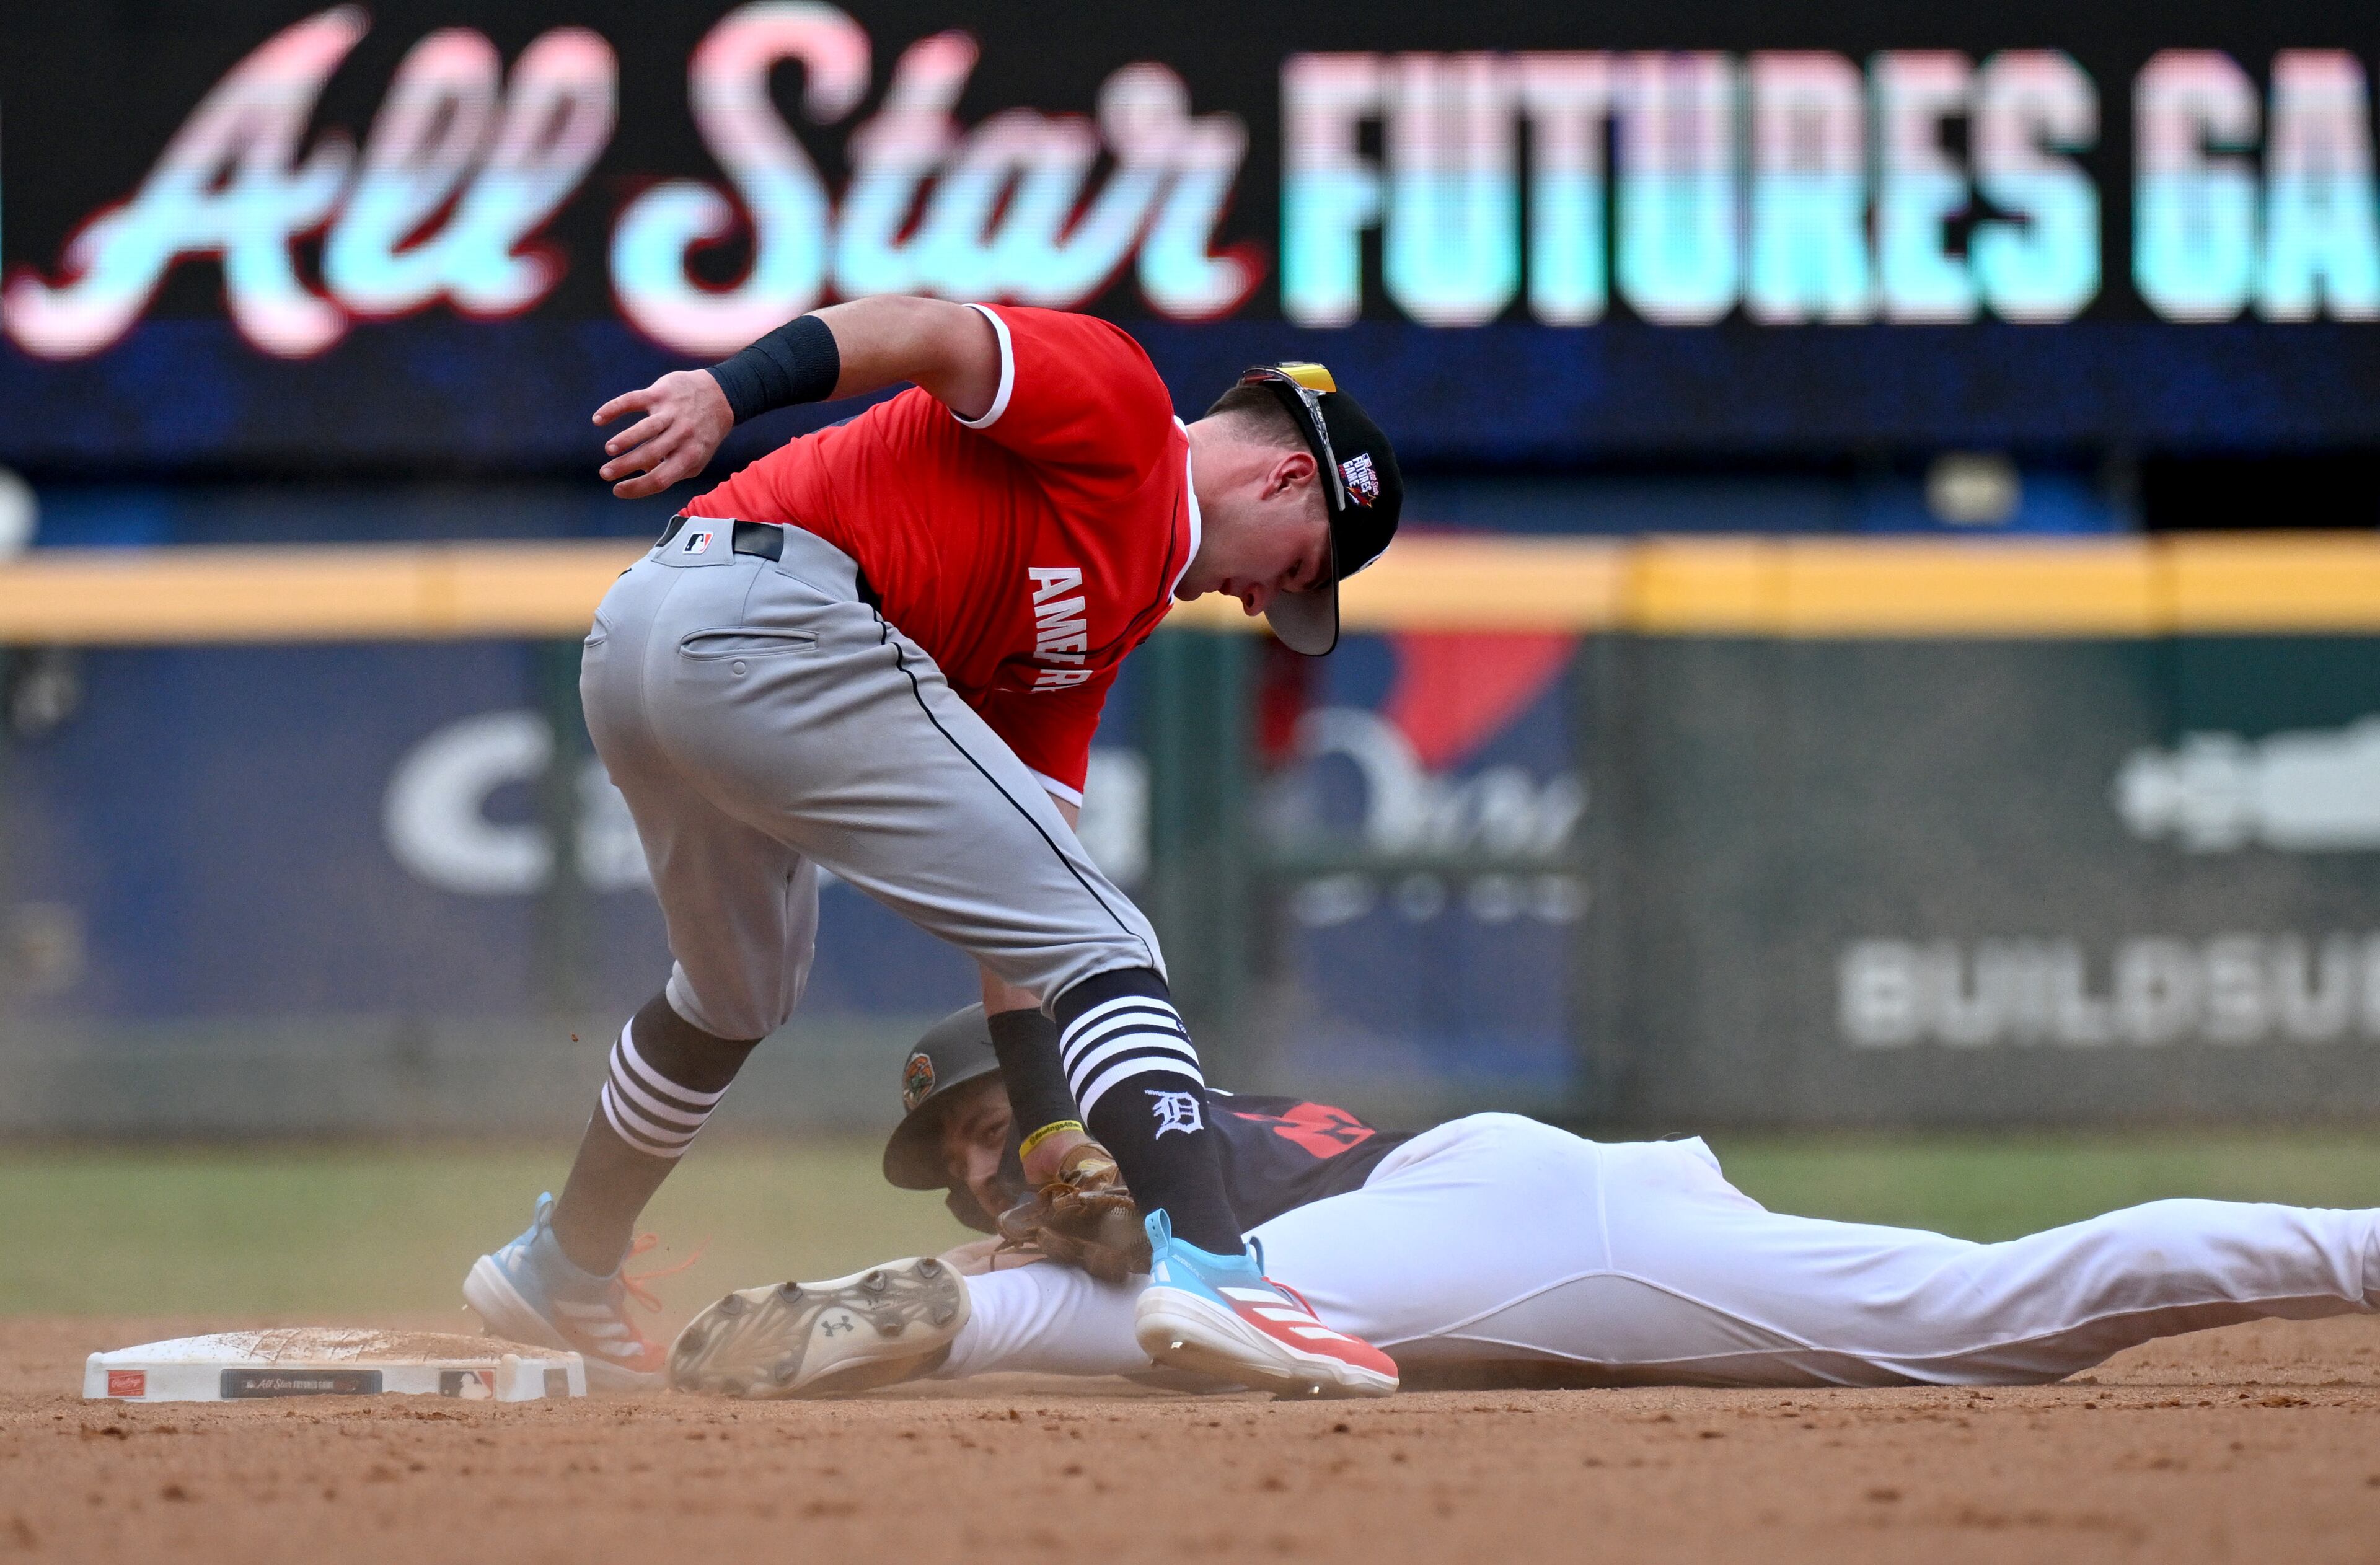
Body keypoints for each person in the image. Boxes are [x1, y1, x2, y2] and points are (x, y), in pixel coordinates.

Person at [461, 296, 1404, 1400]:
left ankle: (563, 1265)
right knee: (1110, 932)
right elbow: (932, 333)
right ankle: (1214, 1266)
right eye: (1298, 570)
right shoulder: (1124, 406)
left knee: (739, 992)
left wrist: (1050, 1122)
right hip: (762, 610)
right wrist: (731, 389)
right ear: (1290, 481)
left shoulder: (1112, 612)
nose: (1264, 603)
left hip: (653, 649)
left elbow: (1023, 890)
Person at [667, 1005, 2380, 1397]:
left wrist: (993, 1252)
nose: (985, 1153)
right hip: (1559, 1199)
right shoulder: (1128, 1127)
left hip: (1433, 1219)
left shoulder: (1111, 1109)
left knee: (1141, 1312)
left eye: (989, 1119)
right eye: (953, 1148)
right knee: (2005, 1311)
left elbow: (1112, 1216)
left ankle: (855, 1311)